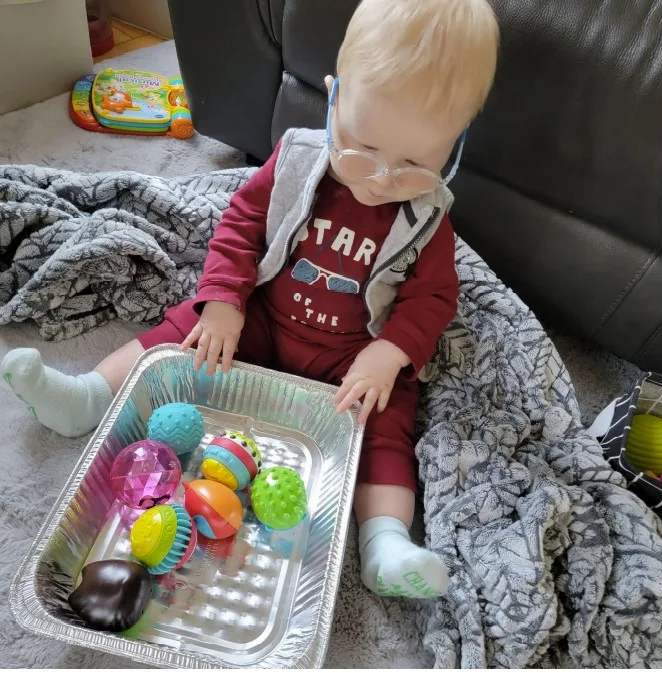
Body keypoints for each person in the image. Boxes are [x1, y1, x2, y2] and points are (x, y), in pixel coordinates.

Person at [2, 0, 498, 599]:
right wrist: (225, 302)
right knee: (182, 331)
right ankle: (86, 396)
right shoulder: (298, 162)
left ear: (456, 146)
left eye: (416, 164)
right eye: (361, 147)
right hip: (263, 318)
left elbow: (435, 297)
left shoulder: (428, 220)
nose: (379, 179)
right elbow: (240, 223)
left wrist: (391, 353)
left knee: (389, 422)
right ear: (334, 98)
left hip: (351, 355)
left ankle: (384, 542)